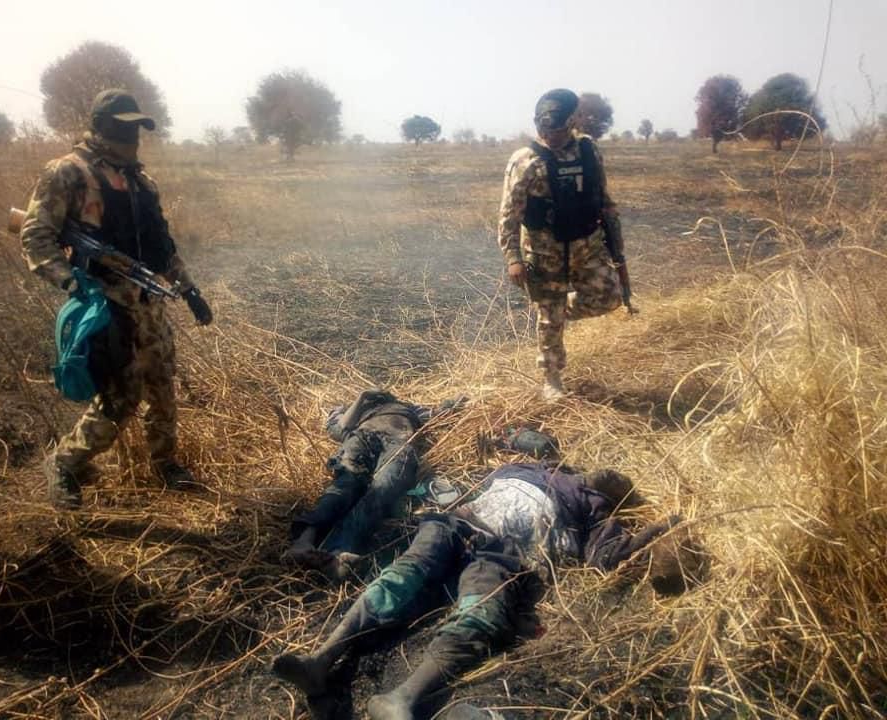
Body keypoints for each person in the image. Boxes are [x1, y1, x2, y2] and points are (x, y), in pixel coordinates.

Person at [273, 462, 698, 720]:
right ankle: (321, 659)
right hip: (456, 524)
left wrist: (661, 530)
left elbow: (607, 556)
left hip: (501, 557)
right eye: (607, 478)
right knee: (404, 575)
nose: (605, 479)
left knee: (480, 614)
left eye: (612, 483)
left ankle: (401, 698)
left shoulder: (592, 508)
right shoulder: (530, 467)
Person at [21, 89, 213, 509]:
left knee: (162, 386)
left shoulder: (143, 182)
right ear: (102, 125)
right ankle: (63, 463)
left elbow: (162, 247)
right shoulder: (68, 172)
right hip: (106, 305)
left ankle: (165, 465)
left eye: (137, 127)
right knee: (120, 397)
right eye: (124, 127)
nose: (132, 137)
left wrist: (189, 288)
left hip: (149, 302)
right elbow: (36, 234)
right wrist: (71, 282)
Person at [498, 89, 627, 400]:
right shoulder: (525, 160)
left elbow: (604, 200)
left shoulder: (589, 151)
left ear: (573, 122)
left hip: (588, 246)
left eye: (555, 130)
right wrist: (513, 258)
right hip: (545, 253)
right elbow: (508, 215)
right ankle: (552, 378)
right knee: (548, 317)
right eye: (543, 129)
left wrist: (617, 247)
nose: (548, 136)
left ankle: (558, 309)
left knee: (610, 297)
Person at [286, 390, 460, 581]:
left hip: (398, 442)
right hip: (362, 437)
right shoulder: (353, 408)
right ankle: (304, 542)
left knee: (384, 488)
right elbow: (340, 428)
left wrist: (456, 401)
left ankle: (338, 552)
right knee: (347, 483)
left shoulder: (409, 408)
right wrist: (362, 398)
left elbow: (439, 415)